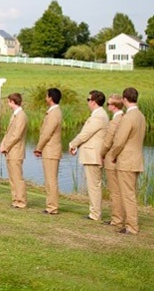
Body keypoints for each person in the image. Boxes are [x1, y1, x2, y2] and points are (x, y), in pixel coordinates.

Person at [106, 87, 146, 235]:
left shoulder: (128, 118)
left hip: (126, 161)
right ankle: (130, 223)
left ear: (124, 99)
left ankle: (131, 226)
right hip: (136, 160)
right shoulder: (141, 116)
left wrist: (113, 155)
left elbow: (119, 141)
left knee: (128, 195)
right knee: (131, 194)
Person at [69, 90, 109, 221]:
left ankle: (95, 214)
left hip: (93, 155)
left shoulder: (98, 116)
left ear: (94, 102)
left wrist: (72, 144)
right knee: (93, 185)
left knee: (94, 185)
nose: (87, 102)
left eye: (88, 99)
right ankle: (94, 212)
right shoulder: (98, 115)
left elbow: (85, 134)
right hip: (91, 153)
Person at [34, 87, 63, 215]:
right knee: (50, 179)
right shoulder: (54, 112)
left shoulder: (54, 113)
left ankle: (52, 207)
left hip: (51, 151)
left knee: (51, 180)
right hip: (50, 150)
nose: (45, 98)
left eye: (46, 95)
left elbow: (46, 133)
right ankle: (51, 205)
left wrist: (38, 148)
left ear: (50, 98)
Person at [0, 93, 28, 209]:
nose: (7, 103)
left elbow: (16, 135)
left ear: (12, 101)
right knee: (12, 177)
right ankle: (15, 199)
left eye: (8, 101)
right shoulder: (15, 115)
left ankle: (21, 201)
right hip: (10, 151)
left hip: (16, 151)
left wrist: (6, 146)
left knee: (17, 177)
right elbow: (8, 132)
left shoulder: (21, 116)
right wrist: (3, 144)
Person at [100, 94, 125, 226]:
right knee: (120, 190)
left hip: (112, 159)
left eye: (108, 104)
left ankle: (117, 219)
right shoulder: (124, 118)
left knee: (115, 191)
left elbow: (108, 141)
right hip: (122, 159)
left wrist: (101, 154)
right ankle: (120, 217)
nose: (107, 106)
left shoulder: (116, 121)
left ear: (114, 106)